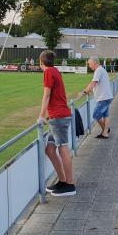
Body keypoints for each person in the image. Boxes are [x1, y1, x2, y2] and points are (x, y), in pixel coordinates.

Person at [38, 50, 76, 197]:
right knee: (50, 149)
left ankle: (70, 185)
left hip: (59, 117)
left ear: (41, 62)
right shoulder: (55, 71)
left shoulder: (48, 72)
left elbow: (46, 95)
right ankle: (62, 181)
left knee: (63, 148)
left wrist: (41, 116)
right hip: (57, 117)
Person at [83, 56, 114, 139]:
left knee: (96, 115)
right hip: (106, 96)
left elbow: (94, 83)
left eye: (89, 64)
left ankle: (105, 131)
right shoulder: (101, 70)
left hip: (103, 98)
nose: (89, 66)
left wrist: (85, 91)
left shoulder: (98, 70)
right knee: (105, 115)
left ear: (94, 63)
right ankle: (105, 131)